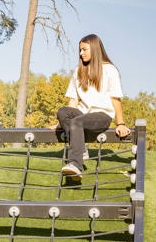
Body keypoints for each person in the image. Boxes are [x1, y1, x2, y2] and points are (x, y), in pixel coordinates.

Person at [56, 34, 131, 181]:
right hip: (81, 115)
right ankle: (81, 149)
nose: (80, 53)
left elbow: (115, 98)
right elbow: (74, 100)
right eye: (79, 50)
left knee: (77, 122)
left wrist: (120, 123)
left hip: (101, 116)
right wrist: (60, 123)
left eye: (84, 49)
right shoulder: (78, 72)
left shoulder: (110, 70)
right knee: (62, 112)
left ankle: (76, 165)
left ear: (95, 49)